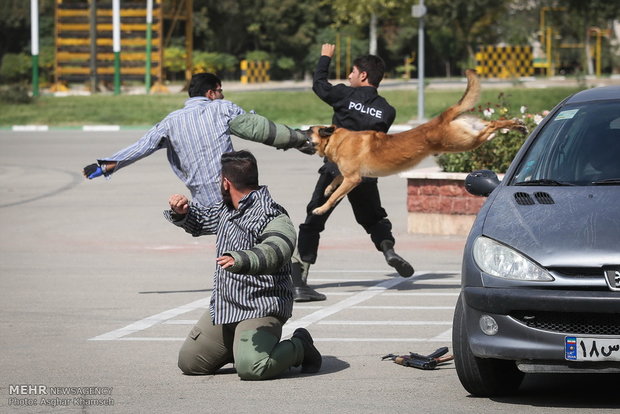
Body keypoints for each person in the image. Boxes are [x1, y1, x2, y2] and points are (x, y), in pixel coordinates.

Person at [165, 150, 322, 380]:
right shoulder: (226, 209)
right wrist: (182, 213)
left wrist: (241, 259)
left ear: (226, 182)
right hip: (227, 306)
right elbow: (199, 222)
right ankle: (238, 347)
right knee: (191, 363)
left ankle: (300, 346)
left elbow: (278, 249)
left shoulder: (271, 214)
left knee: (252, 368)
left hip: (260, 306)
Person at [292, 43, 414, 302]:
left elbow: (319, 84)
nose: (349, 76)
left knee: (314, 218)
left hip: (336, 168)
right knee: (373, 219)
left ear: (363, 76)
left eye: (352, 71)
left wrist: (325, 57)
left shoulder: (344, 96)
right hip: (366, 172)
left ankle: (300, 279)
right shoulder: (386, 110)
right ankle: (388, 249)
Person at [82, 72, 314, 207]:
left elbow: (143, 146)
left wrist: (106, 165)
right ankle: (294, 282)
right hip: (232, 192)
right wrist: (299, 139)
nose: (223, 95)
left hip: (203, 205)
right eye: (220, 90)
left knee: (232, 241)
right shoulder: (222, 108)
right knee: (275, 227)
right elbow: (259, 129)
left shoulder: (170, 121)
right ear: (211, 93)